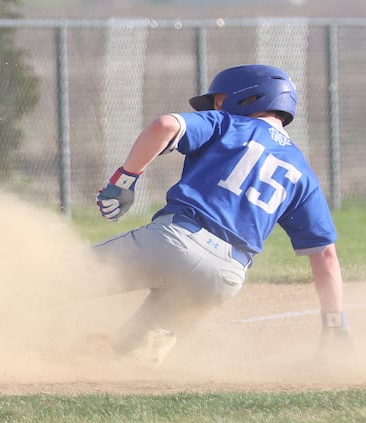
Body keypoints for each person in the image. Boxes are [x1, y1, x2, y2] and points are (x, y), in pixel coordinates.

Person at [93, 64, 350, 366]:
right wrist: (335, 324)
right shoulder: (302, 174)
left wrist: (124, 181)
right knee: (128, 354)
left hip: (175, 240)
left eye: (219, 99)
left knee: (59, 278)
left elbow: (164, 126)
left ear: (249, 99)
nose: (216, 106)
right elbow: (326, 257)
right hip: (225, 276)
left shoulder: (229, 124)